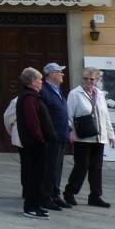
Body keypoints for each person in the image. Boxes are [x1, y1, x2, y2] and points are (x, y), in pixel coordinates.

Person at [65, 66, 115, 208]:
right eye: (85, 78)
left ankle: (95, 196)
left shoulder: (100, 94)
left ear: (97, 80)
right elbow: (68, 115)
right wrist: (69, 131)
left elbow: (105, 116)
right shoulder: (75, 94)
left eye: (91, 79)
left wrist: (111, 135)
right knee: (81, 166)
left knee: (96, 167)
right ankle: (70, 192)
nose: (88, 81)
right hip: (83, 136)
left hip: (99, 137)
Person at [16, 67, 56, 219]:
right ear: (32, 81)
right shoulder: (29, 98)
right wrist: (40, 138)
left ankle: (36, 205)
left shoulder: (32, 96)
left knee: (39, 175)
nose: (42, 82)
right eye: (40, 80)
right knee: (35, 176)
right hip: (34, 144)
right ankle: (31, 207)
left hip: (36, 142)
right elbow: (33, 122)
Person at [39, 63, 72, 210]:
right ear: (51, 74)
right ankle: (45, 197)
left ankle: (55, 195)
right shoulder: (44, 90)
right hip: (52, 136)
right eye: (60, 72)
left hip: (61, 134)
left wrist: (69, 129)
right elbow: (44, 115)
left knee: (57, 167)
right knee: (49, 168)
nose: (62, 74)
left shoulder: (57, 90)